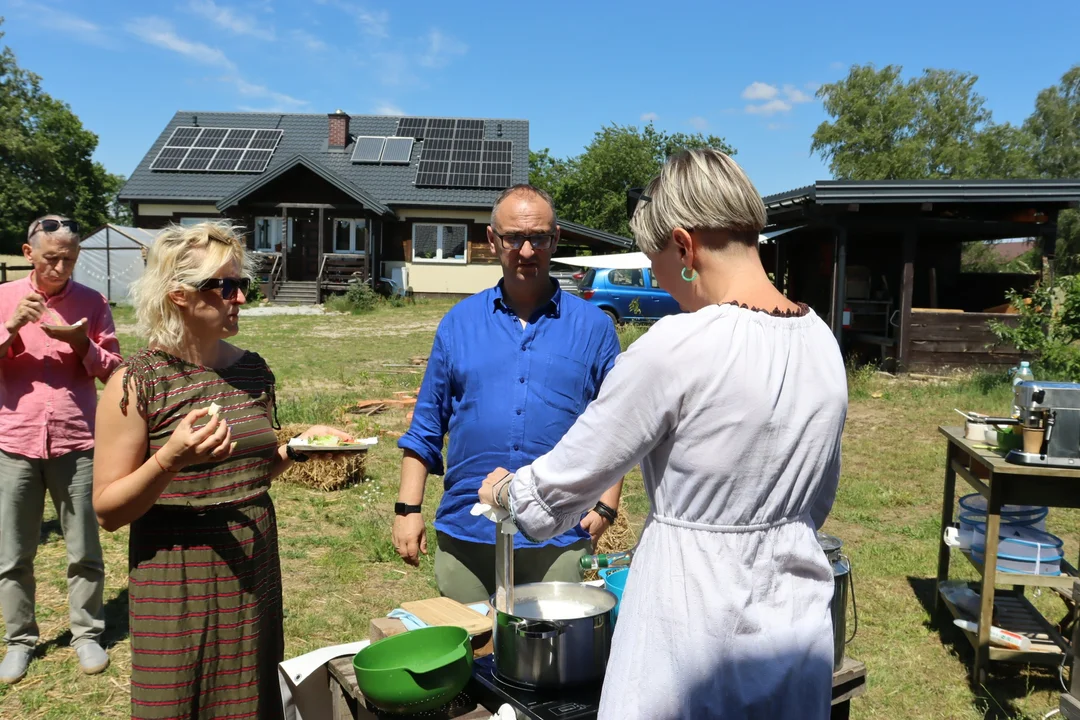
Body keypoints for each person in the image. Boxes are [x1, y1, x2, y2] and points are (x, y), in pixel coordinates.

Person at [479, 150, 848, 719]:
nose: (656, 277)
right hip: (794, 627)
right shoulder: (821, 339)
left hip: (691, 630)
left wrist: (503, 494)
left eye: (655, 260)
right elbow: (818, 497)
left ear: (685, 246)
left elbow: (562, 485)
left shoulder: (678, 345)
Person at [92, 222, 352, 720]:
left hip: (252, 561)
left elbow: (249, 474)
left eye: (242, 285)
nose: (239, 298)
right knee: (177, 700)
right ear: (180, 295)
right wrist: (171, 458)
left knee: (247, 697)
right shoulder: (138, 380)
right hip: (177, 572)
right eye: (225, 286)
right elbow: (107, 510)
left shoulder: (253, 370)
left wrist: (298, 450)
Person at [394, 184, 625, 603]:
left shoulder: (594, 328)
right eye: (513, 238)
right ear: (492, 240)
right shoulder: (458, 324)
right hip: (468, 533)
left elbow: (616, 424)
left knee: (550, 660)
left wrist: (605, 507)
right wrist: (408, 510)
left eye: (538, 237)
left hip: (560, 531)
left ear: (554, 239)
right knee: (471, 653)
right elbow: (426, 425)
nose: (525, 250)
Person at [0, 215, 121, 684]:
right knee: (12, 555)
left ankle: (87, 634)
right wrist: (10, 328)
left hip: (77, 442)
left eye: (69, 258)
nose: (61, 266)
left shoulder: (91, 302)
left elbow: (114, 370)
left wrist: (81, 343)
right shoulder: (5, 298)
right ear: (28, 253)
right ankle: (19, 640)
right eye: (52, 257)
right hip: (15, 442)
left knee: (84, 549)